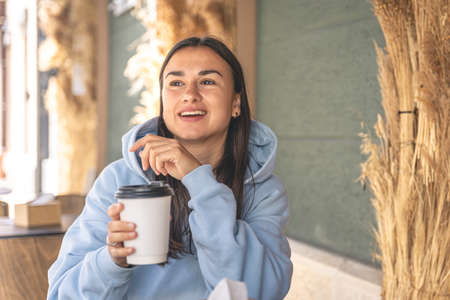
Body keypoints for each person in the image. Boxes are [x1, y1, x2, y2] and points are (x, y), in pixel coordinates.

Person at [47, 36, 293, 300]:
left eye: (207, 81)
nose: (190, 94)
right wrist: (112, 261)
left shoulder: (262, 190)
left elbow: (260, 293)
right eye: (176, 83)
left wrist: (198, 179)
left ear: (235, 103)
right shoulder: (120, 180)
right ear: (163, 102)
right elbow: (62, 294)